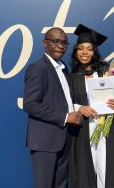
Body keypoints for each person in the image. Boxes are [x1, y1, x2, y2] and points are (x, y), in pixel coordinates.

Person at [67, 24, 114, 188]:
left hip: (108, 130)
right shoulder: (70, 78)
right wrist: (79, 108)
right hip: (83, 131)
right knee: (86, 172)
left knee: (108, 171)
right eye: (80, 48)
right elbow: (64, 103)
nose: (85, 53)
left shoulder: (108, 73)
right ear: (75, 52)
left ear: (94, 52)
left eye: (89, 49)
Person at [23, 27, 82, 188]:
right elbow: (30, 104)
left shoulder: (63, 69)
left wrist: (77, 110)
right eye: (55, 41)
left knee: (61, 184)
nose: (60, 46)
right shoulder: (38, 68)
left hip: (65, 138)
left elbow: (62, 101)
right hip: (45, 141)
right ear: (44, 43)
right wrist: (65, 117)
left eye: (64, 43)